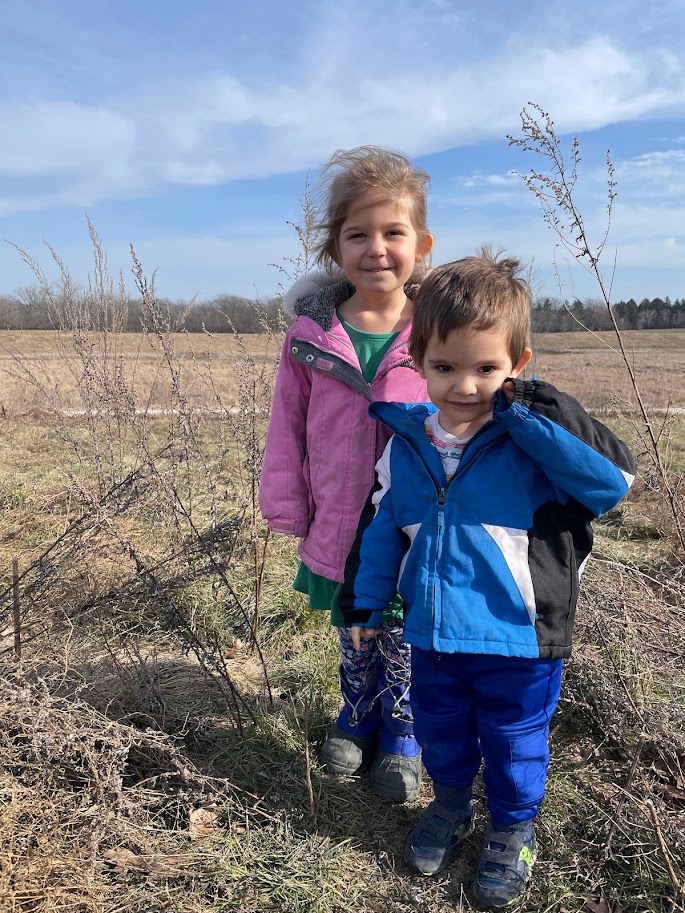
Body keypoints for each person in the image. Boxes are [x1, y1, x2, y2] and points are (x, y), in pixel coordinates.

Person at [338, 248, 636, 906]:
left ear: (515, 368)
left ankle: (511, 829)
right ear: (418, 361)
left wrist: (527, 410)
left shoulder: (530, 445)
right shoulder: (410, 443)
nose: (464, 385)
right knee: (440, 731)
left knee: (512, 742)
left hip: (519, 640)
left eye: (485, 368)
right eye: (444, 366)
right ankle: (449, 804)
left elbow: (611, 481)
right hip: (433, 635)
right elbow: (385, 530)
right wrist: (363, 610)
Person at [260, 146, 434, 802]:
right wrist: (285, 500)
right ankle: (356, 709)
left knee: (404, 622)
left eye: (393, 233)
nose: (376, 248)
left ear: (420, 242)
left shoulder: (437, 327)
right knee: (354, 622)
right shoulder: (310, 334)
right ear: (334, 248)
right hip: (337, 513)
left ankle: (402, 726)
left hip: (412, 516)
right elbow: (287, 422)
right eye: (357, 234)